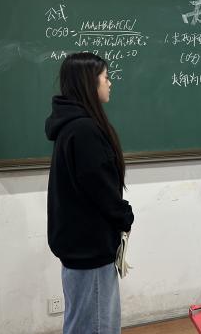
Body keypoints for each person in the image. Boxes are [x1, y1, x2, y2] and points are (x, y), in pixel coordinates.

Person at [46, 52, 134, 334]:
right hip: (90, 249)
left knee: (83, 322)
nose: (110, 83)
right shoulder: (83, 130)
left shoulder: (72, 126)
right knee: (96, 325)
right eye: (106, 77)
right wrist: (125, 216)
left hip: (81, 247)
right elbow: (101, 188)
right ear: (89, 82)